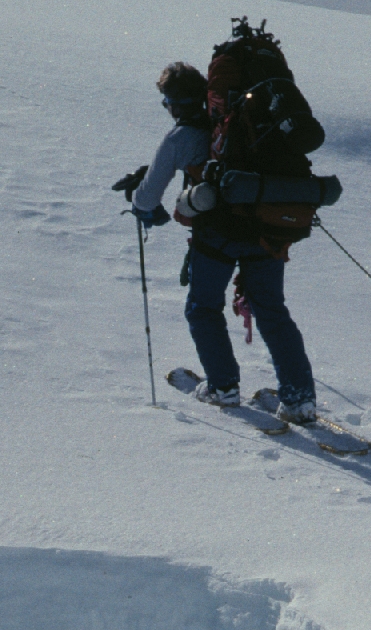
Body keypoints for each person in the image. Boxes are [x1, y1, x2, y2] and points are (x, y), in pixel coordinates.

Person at [127, 61, 317, 422]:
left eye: (167, 104)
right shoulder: (240, 124)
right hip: (267, 232)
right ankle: (299, 398)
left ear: (175, 103)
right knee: (272, 312)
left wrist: (143, 204)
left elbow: (147, 198)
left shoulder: (181, 137)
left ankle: (223, 387)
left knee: (203, 307)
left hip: (217, 237)